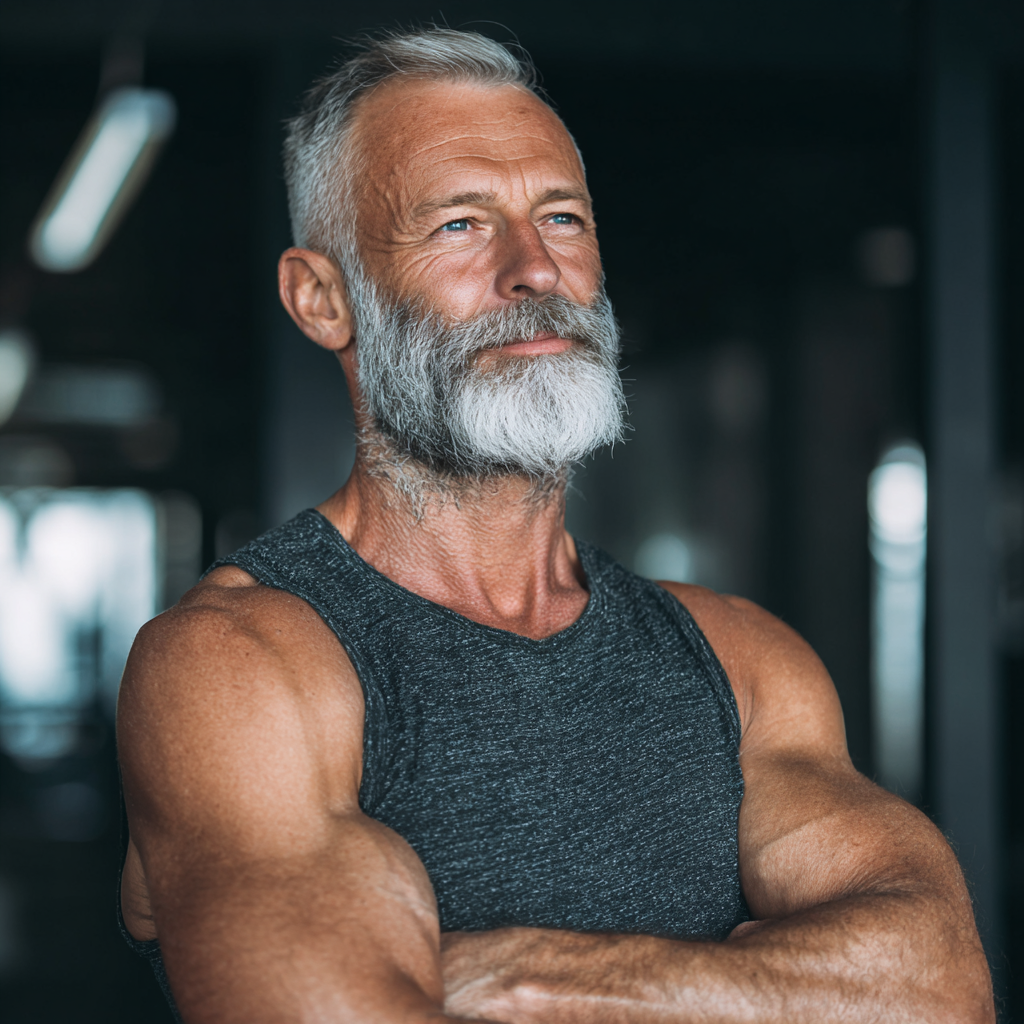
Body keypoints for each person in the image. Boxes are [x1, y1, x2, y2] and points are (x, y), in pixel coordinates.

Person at [116, 28, 993, 1024]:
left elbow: (939, 986)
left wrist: (537, 976)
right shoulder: (242, 667)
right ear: (322, 300)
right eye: (458, 225)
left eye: (562, 217)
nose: (533, 267)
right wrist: (769, 990)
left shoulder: (741, 662)